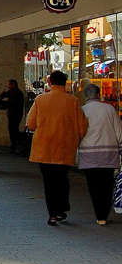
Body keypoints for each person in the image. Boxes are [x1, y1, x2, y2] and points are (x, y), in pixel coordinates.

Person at [26, 70, 88, 226]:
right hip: (65, 147)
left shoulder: (40, 100)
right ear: (65, 83)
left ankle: (52, 214)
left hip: (44, 148)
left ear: (50, 82)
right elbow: (82, 127)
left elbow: (31, 124)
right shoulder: (73, 101)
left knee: (49, 182)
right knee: (62, 179)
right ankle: (62, 209)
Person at [78, 83, 121, 225]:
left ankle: (99, 214)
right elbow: (119, 131)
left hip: (88, 154)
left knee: (93, 185)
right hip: (109, 153)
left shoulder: (82, 110)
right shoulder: (109, 109)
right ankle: (104, 213)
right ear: (98, 94)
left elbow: (78, 133)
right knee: (107, 184)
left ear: (85, 96)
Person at [0, 79, 26, 154]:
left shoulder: (17, 93)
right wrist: (4, 92)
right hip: (14, 114)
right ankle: (14, 145)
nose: (8, 86)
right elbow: (2, 96)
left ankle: (15, 145)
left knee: (13, 130)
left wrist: (3, 101)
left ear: (13, 84)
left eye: (9, 84)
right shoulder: (13, 92)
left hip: (15, 114)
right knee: (13, 130)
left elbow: (11, 103)